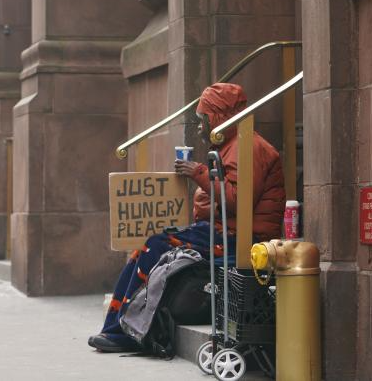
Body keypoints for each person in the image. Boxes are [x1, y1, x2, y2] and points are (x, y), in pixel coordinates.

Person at [88, 82, 286, 353]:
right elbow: (223, 199)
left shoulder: (248, 145)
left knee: (156, 245)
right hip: (225, 230)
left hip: (242, 238)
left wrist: (199, 173)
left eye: (202, 120)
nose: (200, 127)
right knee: (147, 248)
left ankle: (126, 332)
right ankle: (117, 327)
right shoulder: (235, 144)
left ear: (218, 117)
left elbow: (237, 200)